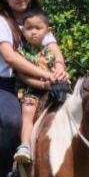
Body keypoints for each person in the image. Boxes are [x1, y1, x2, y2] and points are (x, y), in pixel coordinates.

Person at [0, 0, 68, 177]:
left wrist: (60, 69)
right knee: (13, 121)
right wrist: (47, 74)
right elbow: (10, 58)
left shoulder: (36, 20)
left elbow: (54, 49)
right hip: (5, 88)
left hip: (41, 84)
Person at [12, 9, 56, 166]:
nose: (34, 32)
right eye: (29, 28)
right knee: (28, 111)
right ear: (23, 31)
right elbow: (23, 76)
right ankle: (24, 145)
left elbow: (55, 70)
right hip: (30, 90)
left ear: (48, 31)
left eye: (38, 28)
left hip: (50, 91)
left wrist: (60, 79)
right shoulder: (21, 53)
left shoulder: (49, 53)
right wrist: (42, 84)